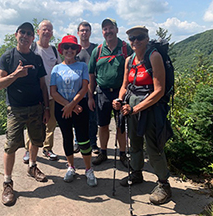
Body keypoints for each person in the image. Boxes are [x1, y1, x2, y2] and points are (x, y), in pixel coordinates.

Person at [112, 26, 172, 205]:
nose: (135, 41)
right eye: (132, 38)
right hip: (130, 107)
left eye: (139, 37)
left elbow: (159, 90)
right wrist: (119, 99)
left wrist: (135, 109)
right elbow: (124, 84)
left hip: (151, 109)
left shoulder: (154, 56)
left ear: (147, 39)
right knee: (134, 143)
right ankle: (137, 173)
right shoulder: (129, 60)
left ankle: (164, 184)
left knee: (153, 147)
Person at [0, 22, 50, 206]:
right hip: (16, 109)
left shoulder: (36, 58)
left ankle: (32, 167)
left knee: (36, 141)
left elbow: (43, 85)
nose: (25, 36)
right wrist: (15, 75)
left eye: (29, 33)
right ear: (16, 34)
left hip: (36, 108)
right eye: (22, 32)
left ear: (33, 38)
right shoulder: (8, 57)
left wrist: (47, 109)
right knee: (11, 146)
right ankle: (7, 182)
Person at [50, 35, 97, 187]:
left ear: (76, 50)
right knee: (67, 137)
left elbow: (84, 87)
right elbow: (53, 92)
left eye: (72, 47)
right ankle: (71, 166)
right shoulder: (56, 68)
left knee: (83, 138)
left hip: (79, 107)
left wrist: (73, 104)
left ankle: (88, 169)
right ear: (62, 50)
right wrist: (68, 105)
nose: (69, 50)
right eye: (66, 47)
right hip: (62, 107)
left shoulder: (82, 66)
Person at [87, 18, 132, 166]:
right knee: (103, 125)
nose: (108, 31)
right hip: (102, 93)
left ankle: (123, 154)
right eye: (105, 29)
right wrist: (90, 97)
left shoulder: (126, 48)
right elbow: (91, 75)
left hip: (121, 93)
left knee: (121, 124)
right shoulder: (98, 50)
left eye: (111, 28)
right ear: (102, 32)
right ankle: (103, 152)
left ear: (117, 29)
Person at [23, 20, 62, 163]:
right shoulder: (32, 48)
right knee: (33, 122)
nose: (47, 32)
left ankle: (47, 148)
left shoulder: (53, 50)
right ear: (38, 32)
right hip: (36, 93)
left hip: (52, 93)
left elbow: (60, 68)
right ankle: (28, 150)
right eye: (44, 29)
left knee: (51, 122)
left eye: (50, 30)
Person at [74, 21, 99, 154]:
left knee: (92, 119)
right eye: (82, 30)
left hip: (92, 90)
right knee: (77, 117)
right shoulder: (73, 50)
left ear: (90, 32)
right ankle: (78, 142)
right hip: (77, 91)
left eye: (87, 30)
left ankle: (93, 142)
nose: (84, 33)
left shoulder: (96, 49)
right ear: (78, 33)